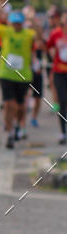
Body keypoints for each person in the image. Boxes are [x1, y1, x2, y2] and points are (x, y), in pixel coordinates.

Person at [0, 10, 35, 148]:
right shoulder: (6, 31)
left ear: (22, 24)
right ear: (11, 23)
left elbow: (40, 36)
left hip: (23, 76)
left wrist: (33, 19)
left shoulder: (28, 34)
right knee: (8, 104)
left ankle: (18, 124)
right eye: (14, 24)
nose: (17, 26)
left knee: (20, 106)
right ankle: (9, 132)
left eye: (19, 24)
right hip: (6, 74)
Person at [46, 10, 67, 143]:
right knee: (62, 101)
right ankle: (63, 132)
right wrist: (53, 54)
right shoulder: (56, 33)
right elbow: (48, 46)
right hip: (59, 72)